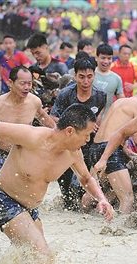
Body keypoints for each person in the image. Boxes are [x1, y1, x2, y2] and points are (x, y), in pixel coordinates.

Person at [0, 103, 113, 264]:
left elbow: (86, 178)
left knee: (25, 260)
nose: (88, 140)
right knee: (42, 256)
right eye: (86, 135)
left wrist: (101, 198)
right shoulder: (31, 137)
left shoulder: (73, 153)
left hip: (30, 210)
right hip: (5, 200)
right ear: (69, 131)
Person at [85, 81, 137, 214]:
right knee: (127, 198)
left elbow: (113, 130)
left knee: (101, 193)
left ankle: (82, 216)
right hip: (110, 150)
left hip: (95, 147)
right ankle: (118, 230)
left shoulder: (120, 101)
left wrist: (126, 151)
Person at [50, 57, 107, 210]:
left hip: (89, 145)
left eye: (89, 76)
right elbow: (53, 117)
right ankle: (68, 205)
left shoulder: (101, 95)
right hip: (67, 144)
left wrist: (96, 124)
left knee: (81, 181)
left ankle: (83, 206)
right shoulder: (66, 94)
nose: (85, 81)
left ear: (94, 75)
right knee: (65, 184)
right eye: (81, 77)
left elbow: (99, 116)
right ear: (75, 76)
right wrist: (75, 127)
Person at [0, 66, 56, 186]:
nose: (27, 88)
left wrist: (59, 135)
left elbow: (45, 119)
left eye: (29, 84)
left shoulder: (34, 102)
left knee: (25, 191)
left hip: (23, 153)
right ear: (10, 83)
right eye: (22, 83)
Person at [93, 43, 124, 118]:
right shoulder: (89, 75)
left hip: (107, 121)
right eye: (103, 58)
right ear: (96, 58)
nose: (106, 62)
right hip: (87, 121)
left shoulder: (116, 78)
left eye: (109, 58)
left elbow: (122, 101)